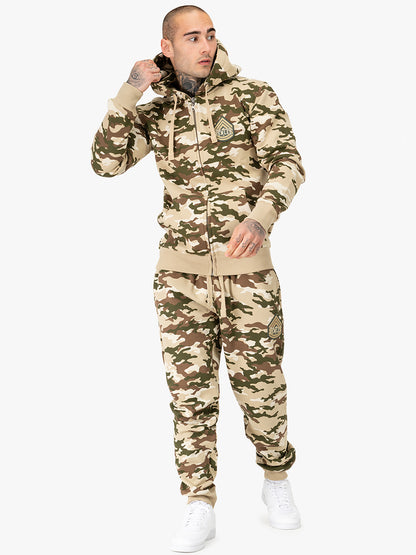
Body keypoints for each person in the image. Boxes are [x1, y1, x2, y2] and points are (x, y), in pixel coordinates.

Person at [91, 4, 306, 552]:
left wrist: (260, 218)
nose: (206, 45)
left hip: (247, 277)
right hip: (178, 279)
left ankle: (276, 479)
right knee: (189, 395)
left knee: (262, 387)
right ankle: (199, 502)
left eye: (210, 34)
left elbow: (288, 163)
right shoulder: (156, 109)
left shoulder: (252, 95)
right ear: (167, 47)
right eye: (192, 37)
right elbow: (106, 163)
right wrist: (130, 90)